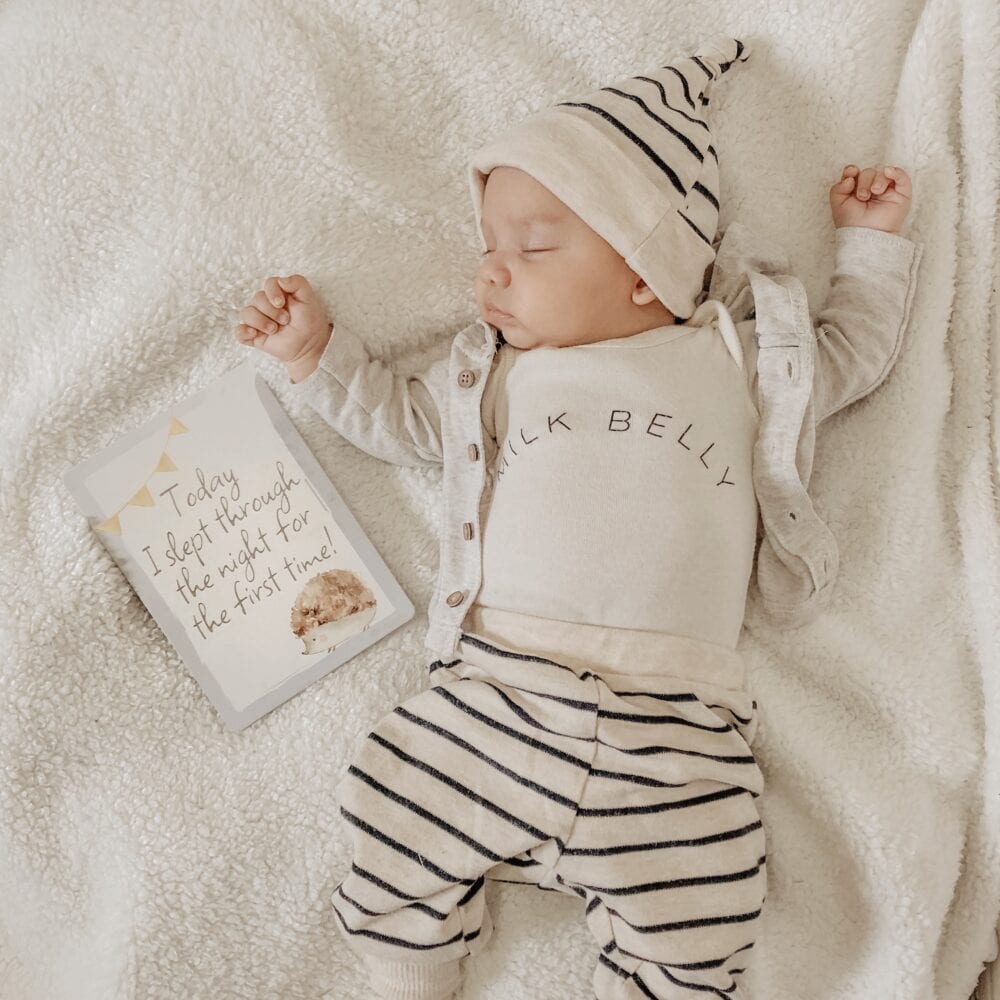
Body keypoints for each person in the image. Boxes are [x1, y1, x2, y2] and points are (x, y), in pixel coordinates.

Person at [234, 35, 921, 1000]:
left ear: (649, 267)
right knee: (397, 793)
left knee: (712, 885)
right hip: (499, 687)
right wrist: (317, 353)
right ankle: (407, 970)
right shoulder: (500, 373)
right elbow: (402, 421)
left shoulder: (737, 357)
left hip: (679, 724)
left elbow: (852, 351)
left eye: (533, 246)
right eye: (488, 249)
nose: (492, 274)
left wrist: (872, 243)